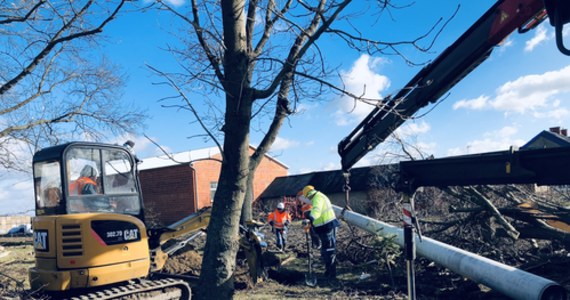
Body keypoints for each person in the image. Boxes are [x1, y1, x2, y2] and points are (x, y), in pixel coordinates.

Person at [300, 185, 340, 279]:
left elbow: (316, 211)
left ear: (309, 194)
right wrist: (310, 220)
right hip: (324, 227)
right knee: (326, 250)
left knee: (329, 250)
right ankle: (328, 271)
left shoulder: (318, 197)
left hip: (327, 226)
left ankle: (331, 274)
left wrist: (310, 218)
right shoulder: (317, 197)